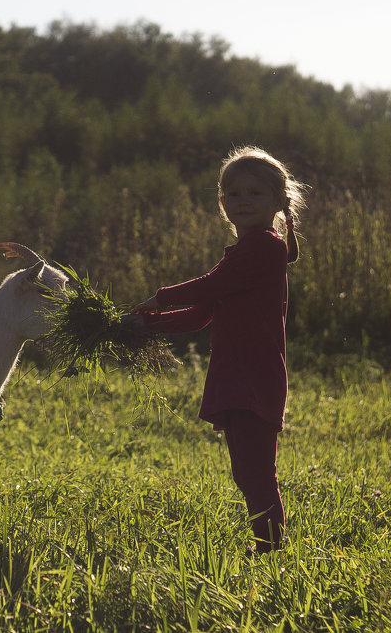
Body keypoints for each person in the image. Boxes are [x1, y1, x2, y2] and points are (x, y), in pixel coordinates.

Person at [131, 146, 306, 555]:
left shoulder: (265, 246)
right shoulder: (246, 251)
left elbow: (207, 288)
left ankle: (270, 552)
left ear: (279, 201)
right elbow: (202, 314)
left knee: (257, 472)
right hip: (235, 377)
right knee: (246, 472)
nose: (242, 201)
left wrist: (157, 299)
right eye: (233, 194)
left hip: (253, 378)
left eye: (254, 193)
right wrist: (145, 325)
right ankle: (267, 547)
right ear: (222, 202)